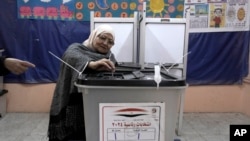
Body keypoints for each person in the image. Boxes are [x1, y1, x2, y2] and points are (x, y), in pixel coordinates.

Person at [48, 24, 116, 141]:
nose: (105, 43)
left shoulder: (110, 56)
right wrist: (91, 64)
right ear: (94, 36)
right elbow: (71, 56)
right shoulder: (76, 48)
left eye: (110, 42)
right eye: (102, 37)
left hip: (96, 102)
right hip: (73, 104)